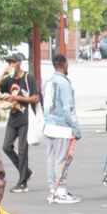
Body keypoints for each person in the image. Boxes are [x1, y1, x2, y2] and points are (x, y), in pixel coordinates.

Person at [0, 53, 38, 193]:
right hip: (13, 117)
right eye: (9, 63)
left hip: (25, 117)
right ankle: (25, 171)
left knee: (22, 150)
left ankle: (22, 182)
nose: (11, 65)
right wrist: (3, 73)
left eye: (13, 62)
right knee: (7, 146)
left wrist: (17, 97)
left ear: (19, 62)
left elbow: (35, 98)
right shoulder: (9, 79)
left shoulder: (27, 78)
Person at [44, 53, 82, 204]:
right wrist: (77, 129)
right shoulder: (64, 83)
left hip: (49, 125)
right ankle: (60, 191)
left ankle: (53, 188)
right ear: (65, 64)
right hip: (62, 127)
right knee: (62, 159)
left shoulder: (49, 81)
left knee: (51, 159)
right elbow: (68, 109)